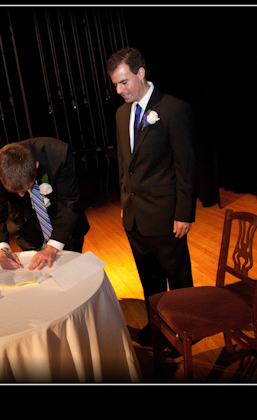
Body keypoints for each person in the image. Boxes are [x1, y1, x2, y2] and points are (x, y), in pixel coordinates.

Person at [106, 47, 198, 347]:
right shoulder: (122, 114)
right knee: (150, 280)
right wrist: (124, 204)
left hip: (166, 215)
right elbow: (124, 164)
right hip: (134, 216)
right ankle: (158, 327)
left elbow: (186, 167)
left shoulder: (174, 109)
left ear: (141, 73)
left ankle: (186, 331)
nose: (120, 90)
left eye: (124, 82)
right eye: (116, 84)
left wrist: (184, 213)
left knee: (177, 277)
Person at [0, 138, 90, 271]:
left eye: (25, 188)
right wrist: (2, 250)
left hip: (65, 229)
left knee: (73, 275)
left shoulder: (57, 154)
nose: (21, 194)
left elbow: (69, 202)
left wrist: (53, 247)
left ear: (36, 166)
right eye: (16, 191)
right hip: (28, 231)